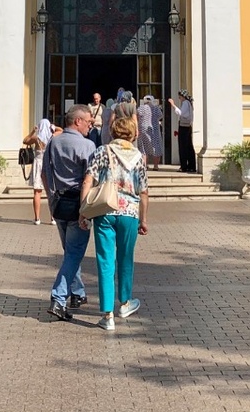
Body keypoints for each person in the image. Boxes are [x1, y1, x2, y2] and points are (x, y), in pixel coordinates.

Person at [81, 115, 149, 331]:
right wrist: (143, 219)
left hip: (105, 211)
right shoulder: (138, 157)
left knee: (105, 261)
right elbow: (144, 191)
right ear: (132, 133)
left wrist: (83, 211)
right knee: (126, 258)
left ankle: (107, 314)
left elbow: (88, 180)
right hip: (129, 213)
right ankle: (125, 303)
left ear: (112, 132)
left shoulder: (102, 151)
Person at [42, 105, 96, 320]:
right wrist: (85, 209)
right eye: (89, 122)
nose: (90, 125)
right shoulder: (87, 145)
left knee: (70, 252)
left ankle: (78, 293)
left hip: (58, 203)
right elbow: (88, 180)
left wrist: (50, 198)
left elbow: (45, 173)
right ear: (77, 121)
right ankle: (59, 297)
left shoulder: (53, 142)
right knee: (74, 253)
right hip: (78, 204)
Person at [24, 115, 58, 225]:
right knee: (51, 193)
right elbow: (62, 130)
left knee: (37, 192)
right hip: (48, 164)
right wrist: (54, 127)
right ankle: (53, 217)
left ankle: (37, 218)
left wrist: (33, 131)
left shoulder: (36, 138)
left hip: (38, 164)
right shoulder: (52, 136)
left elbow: (25, 141)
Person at [170, 90, 196, 173]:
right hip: (188, 126)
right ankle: (191, 166)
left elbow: (181, 113)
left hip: (184, 126)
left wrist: (173, 105)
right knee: (189, 146)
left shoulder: (185, 103)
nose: (179, 98)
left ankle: (184, 166)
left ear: (183, 96)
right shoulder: (189, 103)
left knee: (183, 147)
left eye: (180, 96)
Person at [136, 94, 162, 170]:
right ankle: (156, 166)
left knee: (143, 148)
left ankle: (144, 165)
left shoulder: (141, 108)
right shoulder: (156, 108)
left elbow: (137, 116)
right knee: (156, 147)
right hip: (154, 129)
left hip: (143, 129)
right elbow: (161, 116)